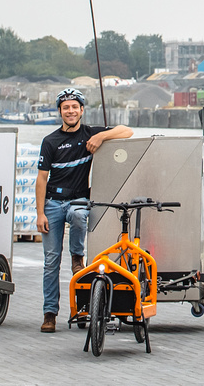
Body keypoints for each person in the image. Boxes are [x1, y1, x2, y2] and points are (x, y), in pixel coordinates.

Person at [35, 87, 133, 333]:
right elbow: (41, 179)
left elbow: (128, 131)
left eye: (74, 107)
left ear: (81, 110)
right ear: (60, 111)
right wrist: (40, 213)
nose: (70, 111)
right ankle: (49, 314)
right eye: (66, 107)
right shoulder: (50, 142)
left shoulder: (90, 134)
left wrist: (102, 138)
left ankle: (77, 257)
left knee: (79, 216)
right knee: (50, 262)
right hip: (53, 204)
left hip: (79, 199)